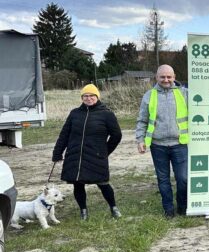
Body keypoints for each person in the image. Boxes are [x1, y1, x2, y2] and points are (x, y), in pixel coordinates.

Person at [53, 84, 123, 221]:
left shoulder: (107, 114)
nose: (89, 98)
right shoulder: (74, 113)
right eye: (85, 96)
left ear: (97, 97)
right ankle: (83, 211)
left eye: (92, 95)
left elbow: (117, 135)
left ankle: (114, 208)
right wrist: (57, 152)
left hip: (96, 156)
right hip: (75, 156)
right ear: (82, 98)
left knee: (103, 184)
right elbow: (64, 135)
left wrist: (105, 152)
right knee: (78, 184)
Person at [136, 64, 189, 218]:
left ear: (174, 77)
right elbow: (142, 120)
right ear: (156, 77)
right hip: (158, 145)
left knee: (183, 179)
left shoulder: (184, 93)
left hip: (180, 144)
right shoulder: (149, 95)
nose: (166, 80)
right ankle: (168, 209)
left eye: (169, 77)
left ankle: (182, 206)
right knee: (163, 179)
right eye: (162, 77)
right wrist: (140, 139)